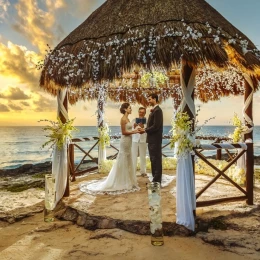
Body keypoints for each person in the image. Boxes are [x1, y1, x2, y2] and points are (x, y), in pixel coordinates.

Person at [79, 103, 141, 194]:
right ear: (125, 109)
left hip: (129, 142)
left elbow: (131, 127)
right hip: (124, 141)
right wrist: (134, 131)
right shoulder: (123, 119)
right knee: (122, 159)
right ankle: (121, 181)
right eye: (129, 108)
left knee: (128, 159)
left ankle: (128, 180)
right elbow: (124, 132)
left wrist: (137, 128)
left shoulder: (128, 119)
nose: (131, 109)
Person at [141, 94, 163, 184]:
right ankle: (155, 178)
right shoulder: (154, 110)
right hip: (151, 140)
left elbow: (156, 126)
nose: (149, 101)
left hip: (155, 140)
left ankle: (157, 180)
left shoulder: (158, 111)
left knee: (156, 160)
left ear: (155, 99)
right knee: (153, 159)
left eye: (150, 99)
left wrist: (145, 130)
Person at [132, 107, 147, 177]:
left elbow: (148, 130)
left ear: (145, 113)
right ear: (138, 112)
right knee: (133, 155)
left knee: (143, 156)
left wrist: (143, 126)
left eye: (143, 112)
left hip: (143, 140)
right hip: (135, 140)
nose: (141, 113)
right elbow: (130, 130)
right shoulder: (134, 120)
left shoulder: (147, 121)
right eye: (140, 112)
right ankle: (133, 171)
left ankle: (143, 172)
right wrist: (134, 126)